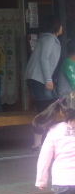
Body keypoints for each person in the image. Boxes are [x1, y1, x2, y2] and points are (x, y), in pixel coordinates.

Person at [34, 92, 75, 194]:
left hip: (62, 181)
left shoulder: (54, 130)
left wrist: (41, 180)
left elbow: (44, 157)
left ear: (62, 112)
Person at [26, 16, 63, 150]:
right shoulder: (49, 39)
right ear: (56, 27)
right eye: (61, 25)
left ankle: (40, 142)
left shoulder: (47, 39)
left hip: (38, 78)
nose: (62, 28)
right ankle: (39, 143)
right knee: (46, 109)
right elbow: (44, 59)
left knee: (47, 108)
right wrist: (48, 79)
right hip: (39, 79)